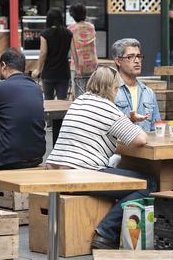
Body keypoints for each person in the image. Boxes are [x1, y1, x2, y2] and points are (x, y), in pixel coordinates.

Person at [46, 66, 155, 250]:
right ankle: (106, 232)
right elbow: (141, 139)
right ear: (112, 88)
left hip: (54, 172)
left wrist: (125, 121)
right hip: (81, 174)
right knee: (149, 183)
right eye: (117, 87)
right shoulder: (108, 108)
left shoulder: (80, 101)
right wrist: (129, 122)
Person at [112, 38, 160, 131]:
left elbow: (156, 129)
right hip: (119, 145)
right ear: (118, 61)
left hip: (146, 144)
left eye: (139, 56)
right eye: (130, 57)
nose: (137, 60)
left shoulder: (149, 93)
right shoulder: (110, 90)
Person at [32, 8, 73, 100]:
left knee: (48, 100)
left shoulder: (45, 34)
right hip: (63, 73)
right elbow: (74, 53)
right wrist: (77, 68)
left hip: (48, 73)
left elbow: (43, 52)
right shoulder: (68, 33)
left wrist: (38, 69)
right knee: (62, 101)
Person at [68, 3, 98, 98]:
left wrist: (77, 68)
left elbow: (72, 49)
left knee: (79, 94)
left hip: (78, 65)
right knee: (91, 92)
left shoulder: (71, 29)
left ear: (73, 15)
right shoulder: (91, 27)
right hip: (92, 63)